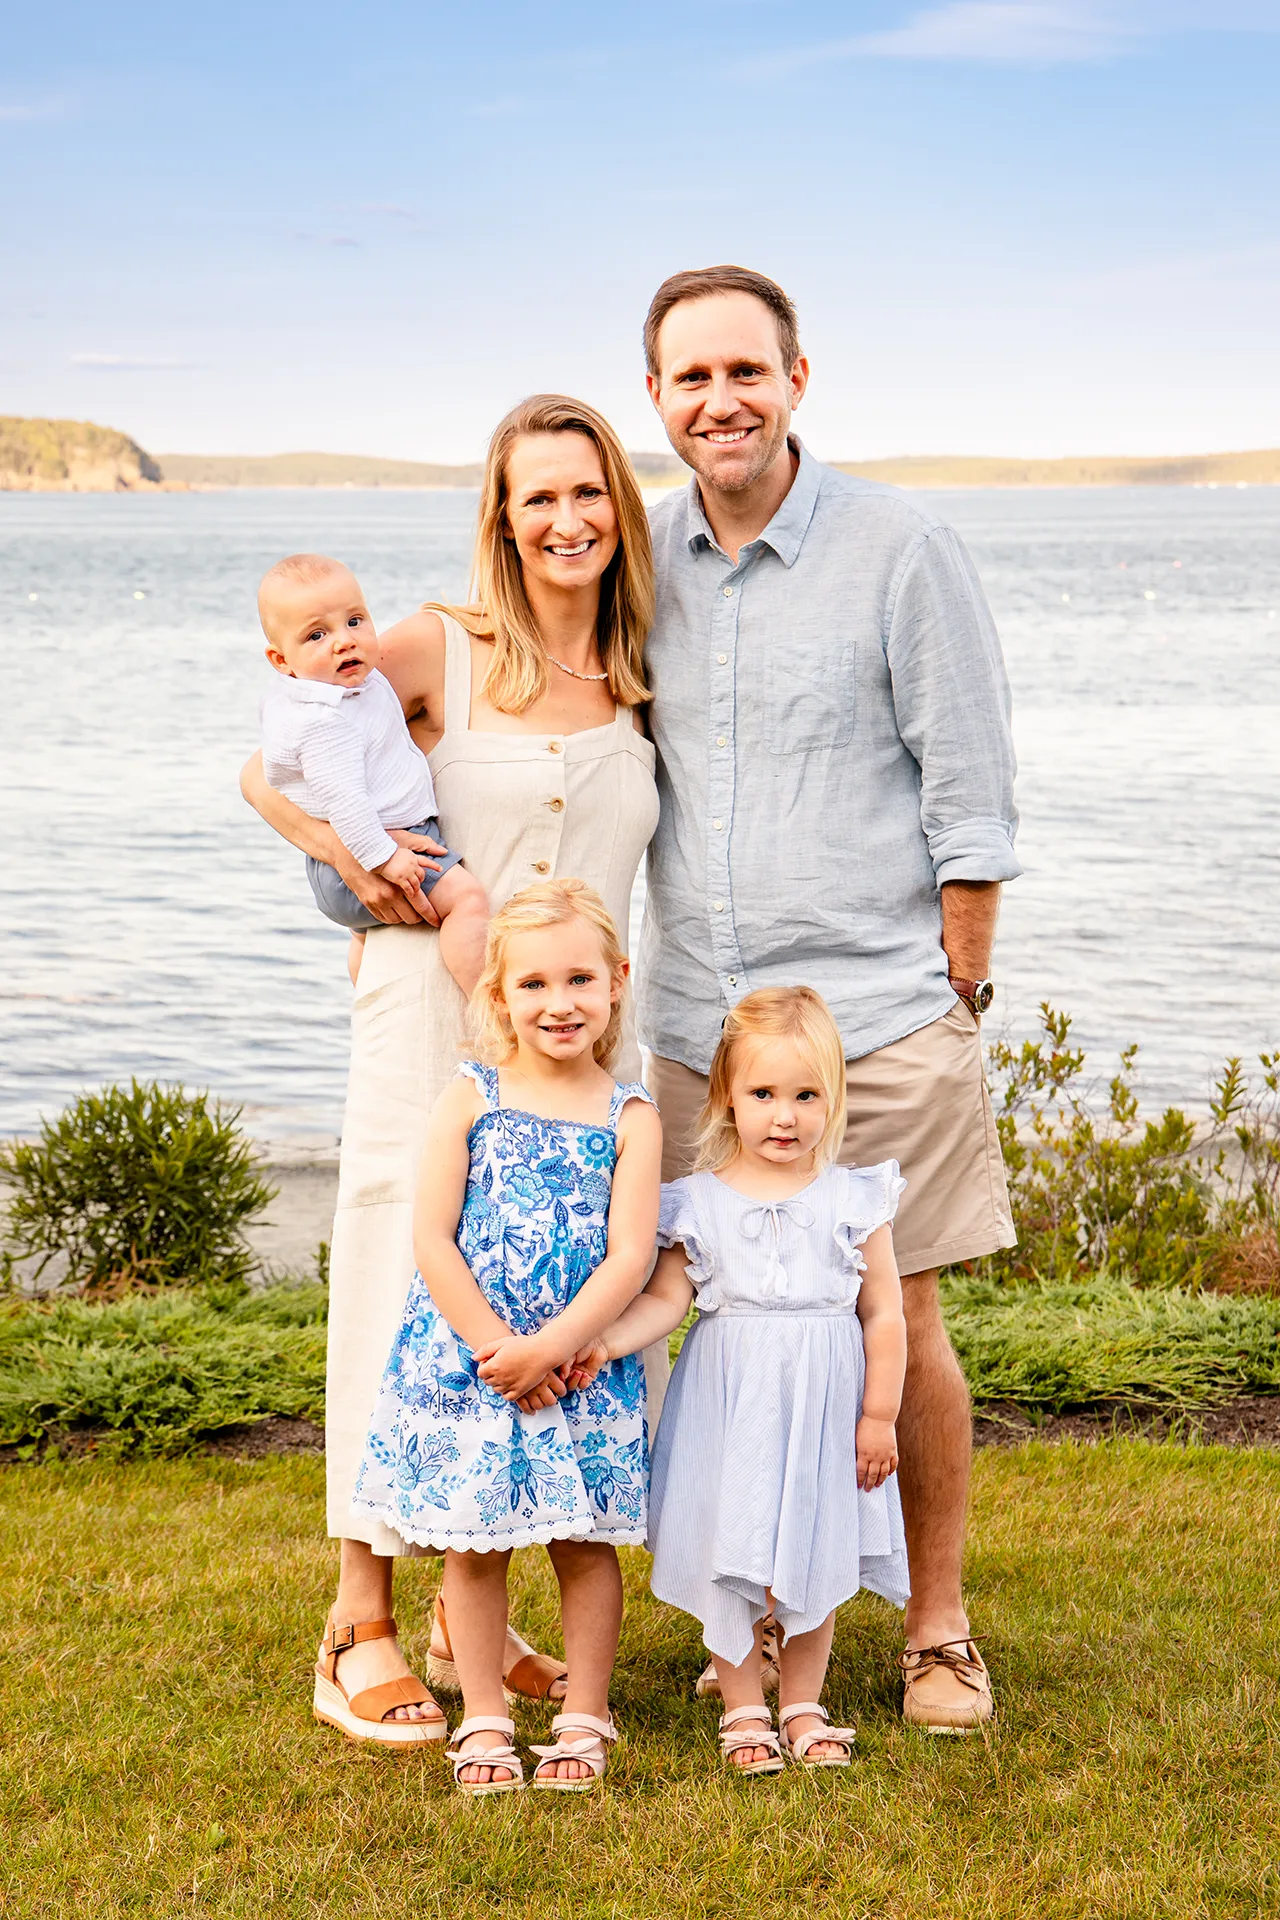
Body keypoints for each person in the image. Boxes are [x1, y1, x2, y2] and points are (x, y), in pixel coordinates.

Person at [241, 395, 667, 1745]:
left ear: (621, 506)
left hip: (582, 1053)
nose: (568, 519)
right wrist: (371, 880)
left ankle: (461, 1611)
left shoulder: (644, 663)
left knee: (549, 1295)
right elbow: (275, 772)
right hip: (429, 1032)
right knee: (392, 1280)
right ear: (501, 513)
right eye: (539, 496)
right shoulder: (435, 647)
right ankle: (358, 1616)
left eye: (589, 492)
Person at [638, 264, 1020, 1731]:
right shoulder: (637, 558)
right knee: (711, 1319)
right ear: (658, 399)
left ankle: (935, 1630)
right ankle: (744, 1604)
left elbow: (972, 797)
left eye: (746, 371)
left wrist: (959, 998)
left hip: (879, 1021)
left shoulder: (902, 547)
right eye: (691, 379)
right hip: (690, 1028)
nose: (720, 401)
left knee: (899, 1322)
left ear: (799, 377)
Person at [344, 880, 661, 1793]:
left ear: (616, 983)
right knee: (474, 1547)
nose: (557, 1003)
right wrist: (497, 1349)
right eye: (532, 985)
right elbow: (432, 1237)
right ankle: (484, 1718)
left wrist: (553, 1348)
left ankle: (583, 1717)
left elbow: (629, 1257)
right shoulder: (471, 1095)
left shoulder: (629, 1115)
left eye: (578, 980)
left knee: (585, 1544)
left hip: (579, 1366)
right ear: (499, 997)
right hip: (470, 1361)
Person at [580, 986, 908, 1773]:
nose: (784, 1116)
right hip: (729, 1407)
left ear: (834, 1096)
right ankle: (743, 1707)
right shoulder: (697, 1204)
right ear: (728, 1092)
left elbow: (887, 1315)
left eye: (806, 1095)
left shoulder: (854, 1200)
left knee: (816, 1546)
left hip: (827, 1409)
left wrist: (880, 1416)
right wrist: (607, 1337)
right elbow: (665, 1299)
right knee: (731, 1539)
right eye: (763, 1094)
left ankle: (802, 1701)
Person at [257, 552, 488, 991]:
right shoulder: (325, 724)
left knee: (366, 936)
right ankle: (491, 1009)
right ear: (281, 661)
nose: (344, 641)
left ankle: (367, 993)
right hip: (368, 853)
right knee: (468, 900)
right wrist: (385, 857)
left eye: (355, 621)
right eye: (317, 635)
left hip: (351, 859)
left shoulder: (351, 687)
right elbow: (346, 802)